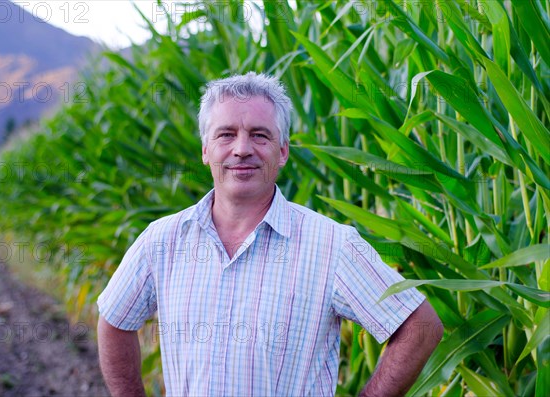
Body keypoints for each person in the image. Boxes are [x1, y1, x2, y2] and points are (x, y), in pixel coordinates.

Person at [97, 72, 443, 397]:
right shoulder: (162, 241)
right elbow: (114, 321)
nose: (242, 149)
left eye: (260, 135)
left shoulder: (332, 246)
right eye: (226, 134)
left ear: (282, 152)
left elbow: (420, 327)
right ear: (206, 150)